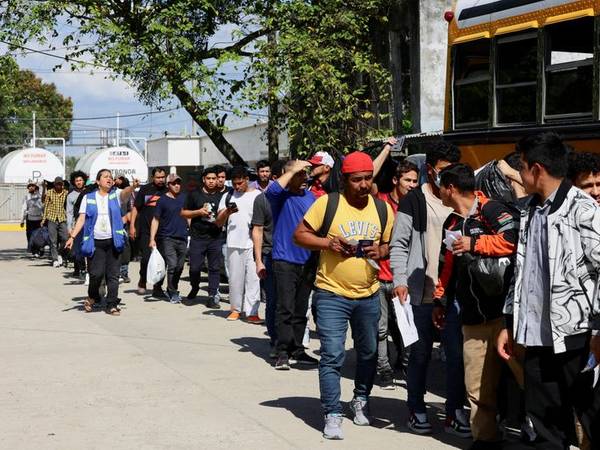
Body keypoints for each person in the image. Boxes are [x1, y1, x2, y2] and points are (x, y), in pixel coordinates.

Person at [497, 132, 600, 450]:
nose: (519, 173)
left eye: (522, 166)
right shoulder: (528, 209)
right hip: (537, 340)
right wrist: (509, 324)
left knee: (591, 417)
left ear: (537, 169)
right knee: (544, 426)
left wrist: (599, 330)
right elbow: (521, 271)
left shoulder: (583, 209)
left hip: (579, 338)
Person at [294, 151, 394, 440]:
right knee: (332, 354)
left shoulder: (382, 208)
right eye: (357, 180)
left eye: (368, 179)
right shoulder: (328, 204)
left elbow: (390, 244)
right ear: (344, 180)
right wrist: (328, 243)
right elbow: (299, 235)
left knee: (369, 352)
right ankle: (332, 412)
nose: (364, 185)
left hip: (369, 294)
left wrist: (381, 250)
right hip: (331, 294)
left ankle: (360, 399)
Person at [433, 163, 518, 450]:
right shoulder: (452, 223)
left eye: (440, 187)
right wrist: (440, 301)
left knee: (526, 379)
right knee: (476, 386)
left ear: (450, 188)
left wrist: (475, 243)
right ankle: (485, 439)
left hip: (506, 317)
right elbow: (447, 266)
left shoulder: (492, 209)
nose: (438, 192)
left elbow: (514, 240)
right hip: (472, 319)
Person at [389, 141, 470, 437]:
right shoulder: (414, 200)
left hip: (452, 293)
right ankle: (416, 408)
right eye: (441, 170)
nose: (446, 177)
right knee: (419, 353)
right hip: (420, 292)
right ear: (430, 169)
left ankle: (454, 411)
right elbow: (399, 244)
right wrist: (400, 280)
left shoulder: (462, 198)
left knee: (456, 355)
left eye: (452, 171)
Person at [266, 160, 319, 370]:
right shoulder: (280, 197)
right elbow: (273, 190)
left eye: (305, 174)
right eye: (299, 174)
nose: (304, 177)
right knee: (285, 308)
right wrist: (292, 169)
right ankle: (282, 352)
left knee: (300, 309)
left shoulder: (311, 197)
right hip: (284, 260)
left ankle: (298, 349)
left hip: (308, 261)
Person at [65, 169, 135, 316]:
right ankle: (92, 296)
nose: (109, 179)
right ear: (98, 181)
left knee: (113, 275)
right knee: (96, 274)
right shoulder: (88, 197)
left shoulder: (115, 194)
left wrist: (132, 187)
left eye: (110, 177)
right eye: (105, 177)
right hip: (95, 242)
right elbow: (82, 219)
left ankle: (112, 304)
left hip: (114, 241)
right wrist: (72, 236)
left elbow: (125, 194)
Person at [375, 159, 419, 388]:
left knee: (405, 328)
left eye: (415, 181)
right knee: (380, 329)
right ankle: (384, 370)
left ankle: (407, 366)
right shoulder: (380, 203)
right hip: (378, 277)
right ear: (395, 180)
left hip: (403, 279)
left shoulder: (416, 206)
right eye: (407, 180)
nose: (411, 185)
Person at [215, 166, 262, 322]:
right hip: (233, 243)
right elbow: (218, 222)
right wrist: (227, 212)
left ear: (247, 180)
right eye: (234, 183)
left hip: (253, 245)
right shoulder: (227, 196)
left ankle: (252, 312)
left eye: (240, 183)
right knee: (235, 279)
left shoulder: (257, 196)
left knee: (253, 280)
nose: (237, 187)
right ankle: (235, 309)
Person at [181, 166, 226, 307]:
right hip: (197, 237)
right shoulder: (194, 194)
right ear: (203, 179)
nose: (212, 181)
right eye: (209, 179)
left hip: (215, 237)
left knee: (214, 268)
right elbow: (183, 213)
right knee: (195, 268)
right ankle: (195, 287)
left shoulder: (222, 196)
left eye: (214, 178)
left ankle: (212, 296)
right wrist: (198, 212)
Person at [149, 173, 188, 304]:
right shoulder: (162, 200)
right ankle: (172, 291)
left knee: (180, 267)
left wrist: (192, 232)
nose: (177, 185)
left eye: (178, 183)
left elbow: (188, 216)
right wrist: (152, 238)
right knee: (172, 265)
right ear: (168, 185)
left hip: (182, 237)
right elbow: (155, 219)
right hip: (167, 238)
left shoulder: (184, 198)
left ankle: (172, 287)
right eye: (173, 183)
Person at [130, 167, 167, 297]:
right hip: (145, 231)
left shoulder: (168, 191)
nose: (161, 180)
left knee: (162, 260)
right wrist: (132, 226)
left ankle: (158, 286)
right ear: (153, 178)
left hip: (163, 231)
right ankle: (142, 280)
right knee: (146, 258)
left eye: (163, 177)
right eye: (158, 177)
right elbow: (136, 208)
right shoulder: (145, 190)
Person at [251, 190, 276, 351]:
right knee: (273, 301)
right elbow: (257, 229)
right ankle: (276, 342)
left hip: (296, 256)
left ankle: (295, 344)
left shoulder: (303, 197)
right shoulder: (263, 199)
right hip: (269, 254)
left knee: (293, 304)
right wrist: (259, 261)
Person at [41, 176, 69, 268]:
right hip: (52, 219)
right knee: (53, 241)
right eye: (57, 184)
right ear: (54, 184)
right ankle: (55, 259)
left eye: (60, 184)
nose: (58, 186)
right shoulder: (49, 193)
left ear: (62, 185)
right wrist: (44, 219)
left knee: (65, 238)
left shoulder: (66, 193)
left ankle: (60, 253)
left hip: (62, 218)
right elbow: (46, 206)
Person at [66, 171, 89, 278]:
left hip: (89, 223)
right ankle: (79, 269)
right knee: (77, 247)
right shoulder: (70, 196)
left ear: (84, 181)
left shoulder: (89, 192)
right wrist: (69, 227)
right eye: (77, 181)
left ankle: (87, 269)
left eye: (80, 180)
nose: (79, 182)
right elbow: (69, 212)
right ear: (73, 182)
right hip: (77, 224)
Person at [20, 182, 44, 253]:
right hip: (30, 219)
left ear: (35, 187)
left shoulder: (40, 196)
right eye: (29, 186)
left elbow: (43, 207)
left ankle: (39, 248)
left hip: (39, 219)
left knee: (39, 235)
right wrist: (22, 220)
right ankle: (32, 248)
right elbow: (24, 209)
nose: (31, 187)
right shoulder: (26, 197)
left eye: (32, 186)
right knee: (29, 234)